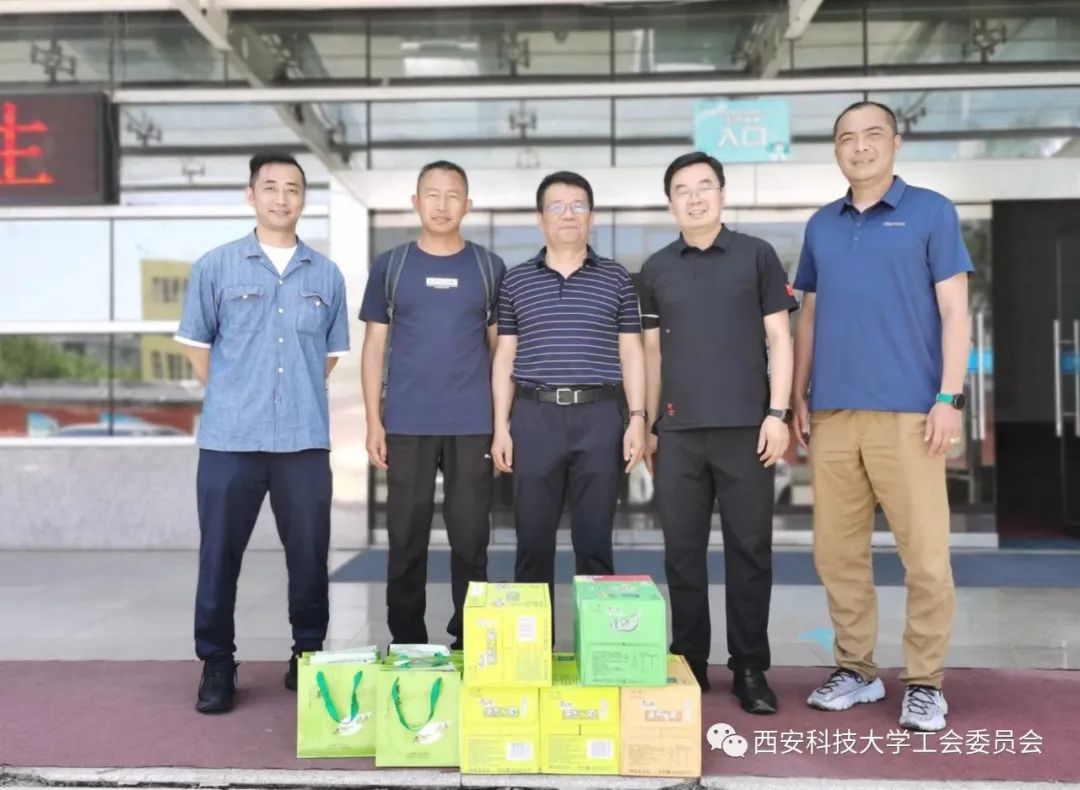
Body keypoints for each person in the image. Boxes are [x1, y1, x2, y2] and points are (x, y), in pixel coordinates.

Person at [793, 101, 972, 733]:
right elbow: (810, 315)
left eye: (873, 134)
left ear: (895, 142)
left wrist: (949, 398)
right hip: (834, 413)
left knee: (924, 557)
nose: (860, 146)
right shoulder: (821, 225)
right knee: (836, 554)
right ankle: (856, 669)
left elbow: (955, 310)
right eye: (847, 137)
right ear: (836, 149)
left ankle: (924, 682)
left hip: (911, 415)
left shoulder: (931, 212)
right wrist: (798, 395)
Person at [175, 152, 350, 714]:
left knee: (310, 555)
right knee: (219, 556)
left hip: (303, 440)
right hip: (230, 441)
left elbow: (328, 356)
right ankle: (216, 662)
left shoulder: (326, 275)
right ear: (251, 195)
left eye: (293, 188)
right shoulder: (215, 267)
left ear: (304, 199)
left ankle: (308, 653)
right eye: (270, 187)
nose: (282, 197)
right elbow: (198, 347)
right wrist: (236, 392)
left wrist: (288, 391)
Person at [638, 151, 797, 711]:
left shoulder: (757, 256)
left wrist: (778, 414)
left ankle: (750, 668)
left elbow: (780, 340)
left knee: (749, 552)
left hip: (747, 431)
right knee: (681, 554)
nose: (695, 197)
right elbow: (652, 355)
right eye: (683, 190)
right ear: (670, 202)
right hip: (679, 433)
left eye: (705, 186)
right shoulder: (656, 268)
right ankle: (689, 663)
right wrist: (649, 425)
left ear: (722, 194)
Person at [359, 161, 505, 651]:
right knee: (405, 539)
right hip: (407, 423)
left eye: (453, 195)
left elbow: (500, 351)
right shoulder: (392, 265)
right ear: (416, 202)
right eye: (432, 194)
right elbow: (374, 348)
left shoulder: (488, 268)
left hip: (472, 424)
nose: (442, 205)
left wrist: (501, 424)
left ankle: (470, 639)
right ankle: (407, 642)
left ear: (468, 204)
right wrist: (373, 420)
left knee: (471, 540)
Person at [491, 171, 646, 606]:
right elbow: (505, 355)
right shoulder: (516, 280)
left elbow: (631, 351)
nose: (568, 214)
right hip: (534, 416)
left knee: (595, 542)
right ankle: (532, 643)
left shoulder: (616, 277)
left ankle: (597, 644)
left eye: (578, 206)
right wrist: (501, 427)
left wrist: (637, 418)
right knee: (532, 543)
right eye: (556, 206)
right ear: (540, 218)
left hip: (599, 417)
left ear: (591, 217)